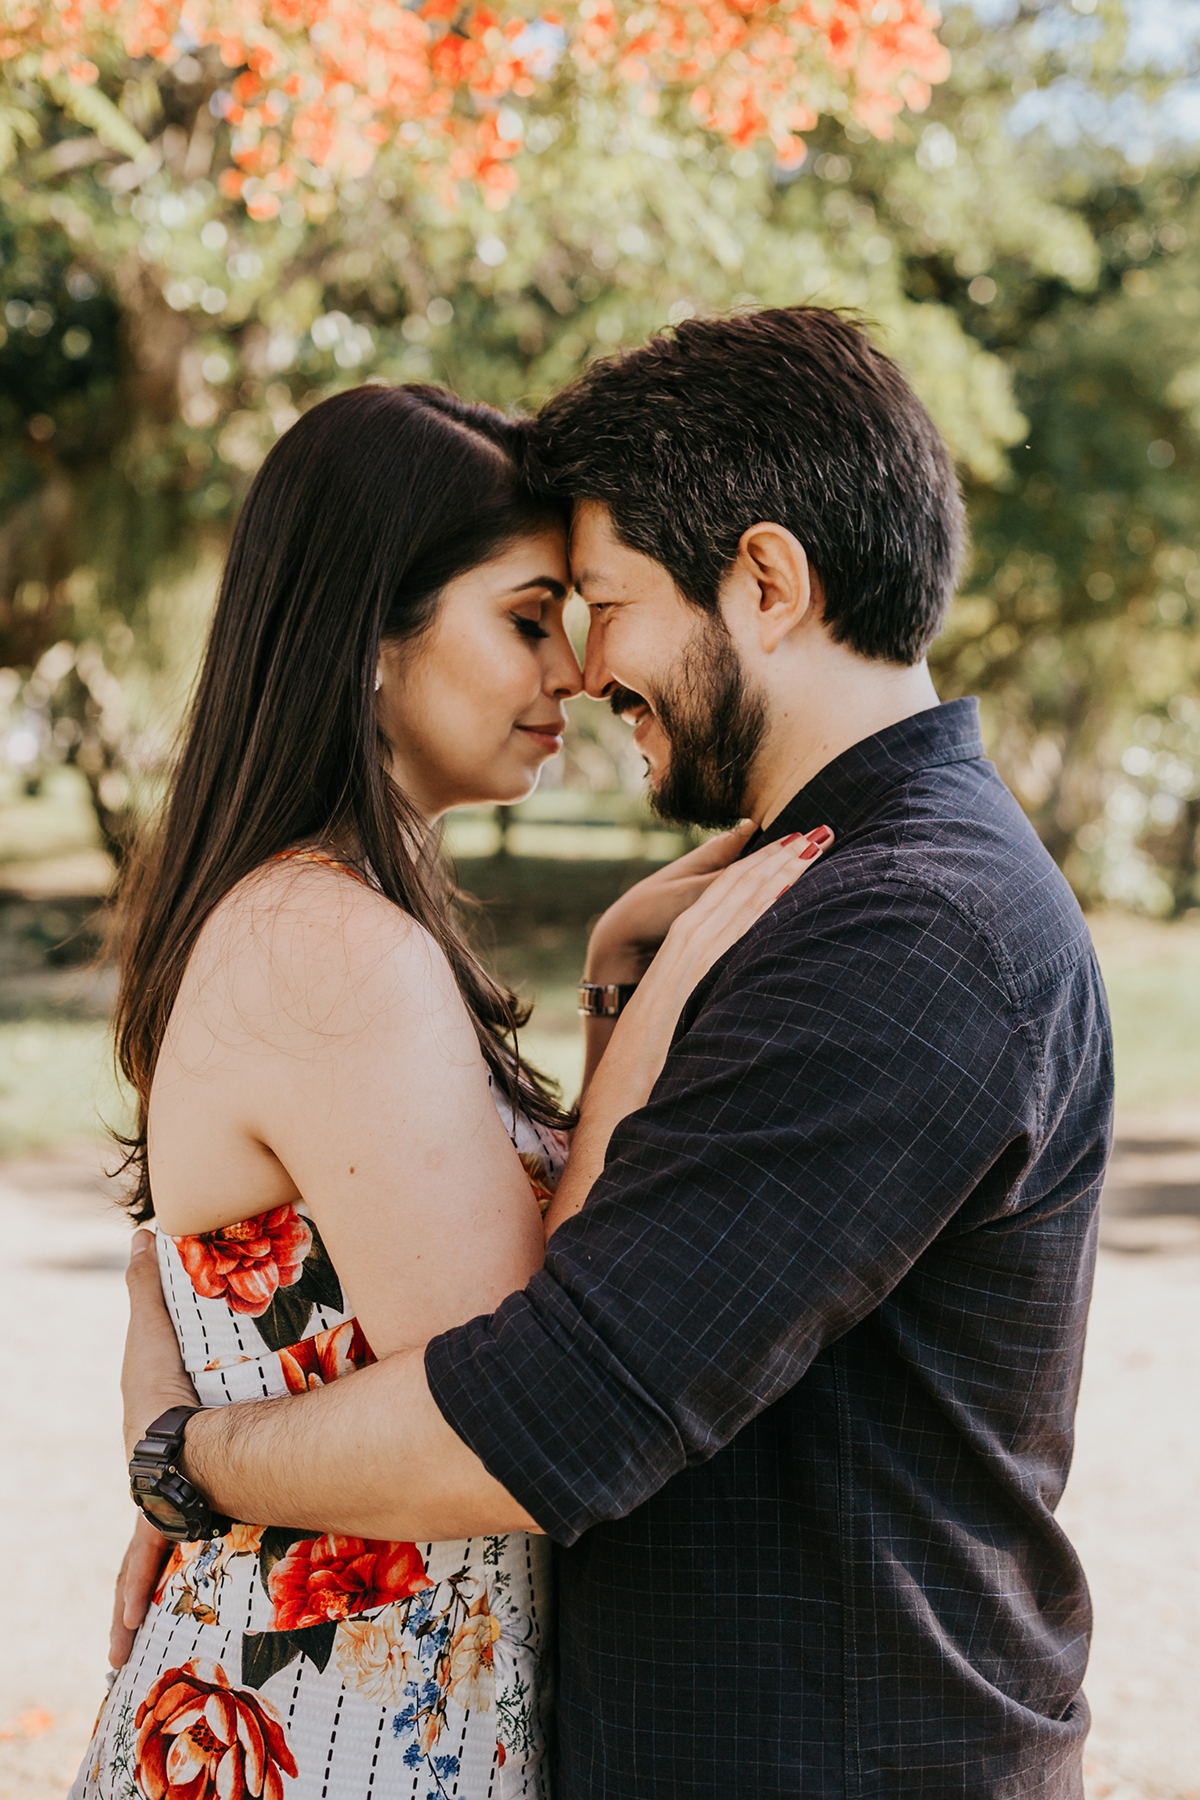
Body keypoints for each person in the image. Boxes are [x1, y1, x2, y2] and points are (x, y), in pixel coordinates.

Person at [116, 307, 1113, 1800]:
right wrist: (622, 1000)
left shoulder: (908, 931)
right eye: (541, 616)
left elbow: (549, 1407)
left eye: (602, 604)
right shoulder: (829, 894)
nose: (586, 670)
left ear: (765, 583)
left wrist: (192, 1453)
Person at [73, 379, 830, 1800]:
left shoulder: (325, 915)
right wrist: (656, 1013)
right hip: (327, 1735)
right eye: (530, 617)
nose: (581, 671)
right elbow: (526, 1372)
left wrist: (613, 970)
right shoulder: (330, 946)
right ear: (373, 631)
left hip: (380, 1707)